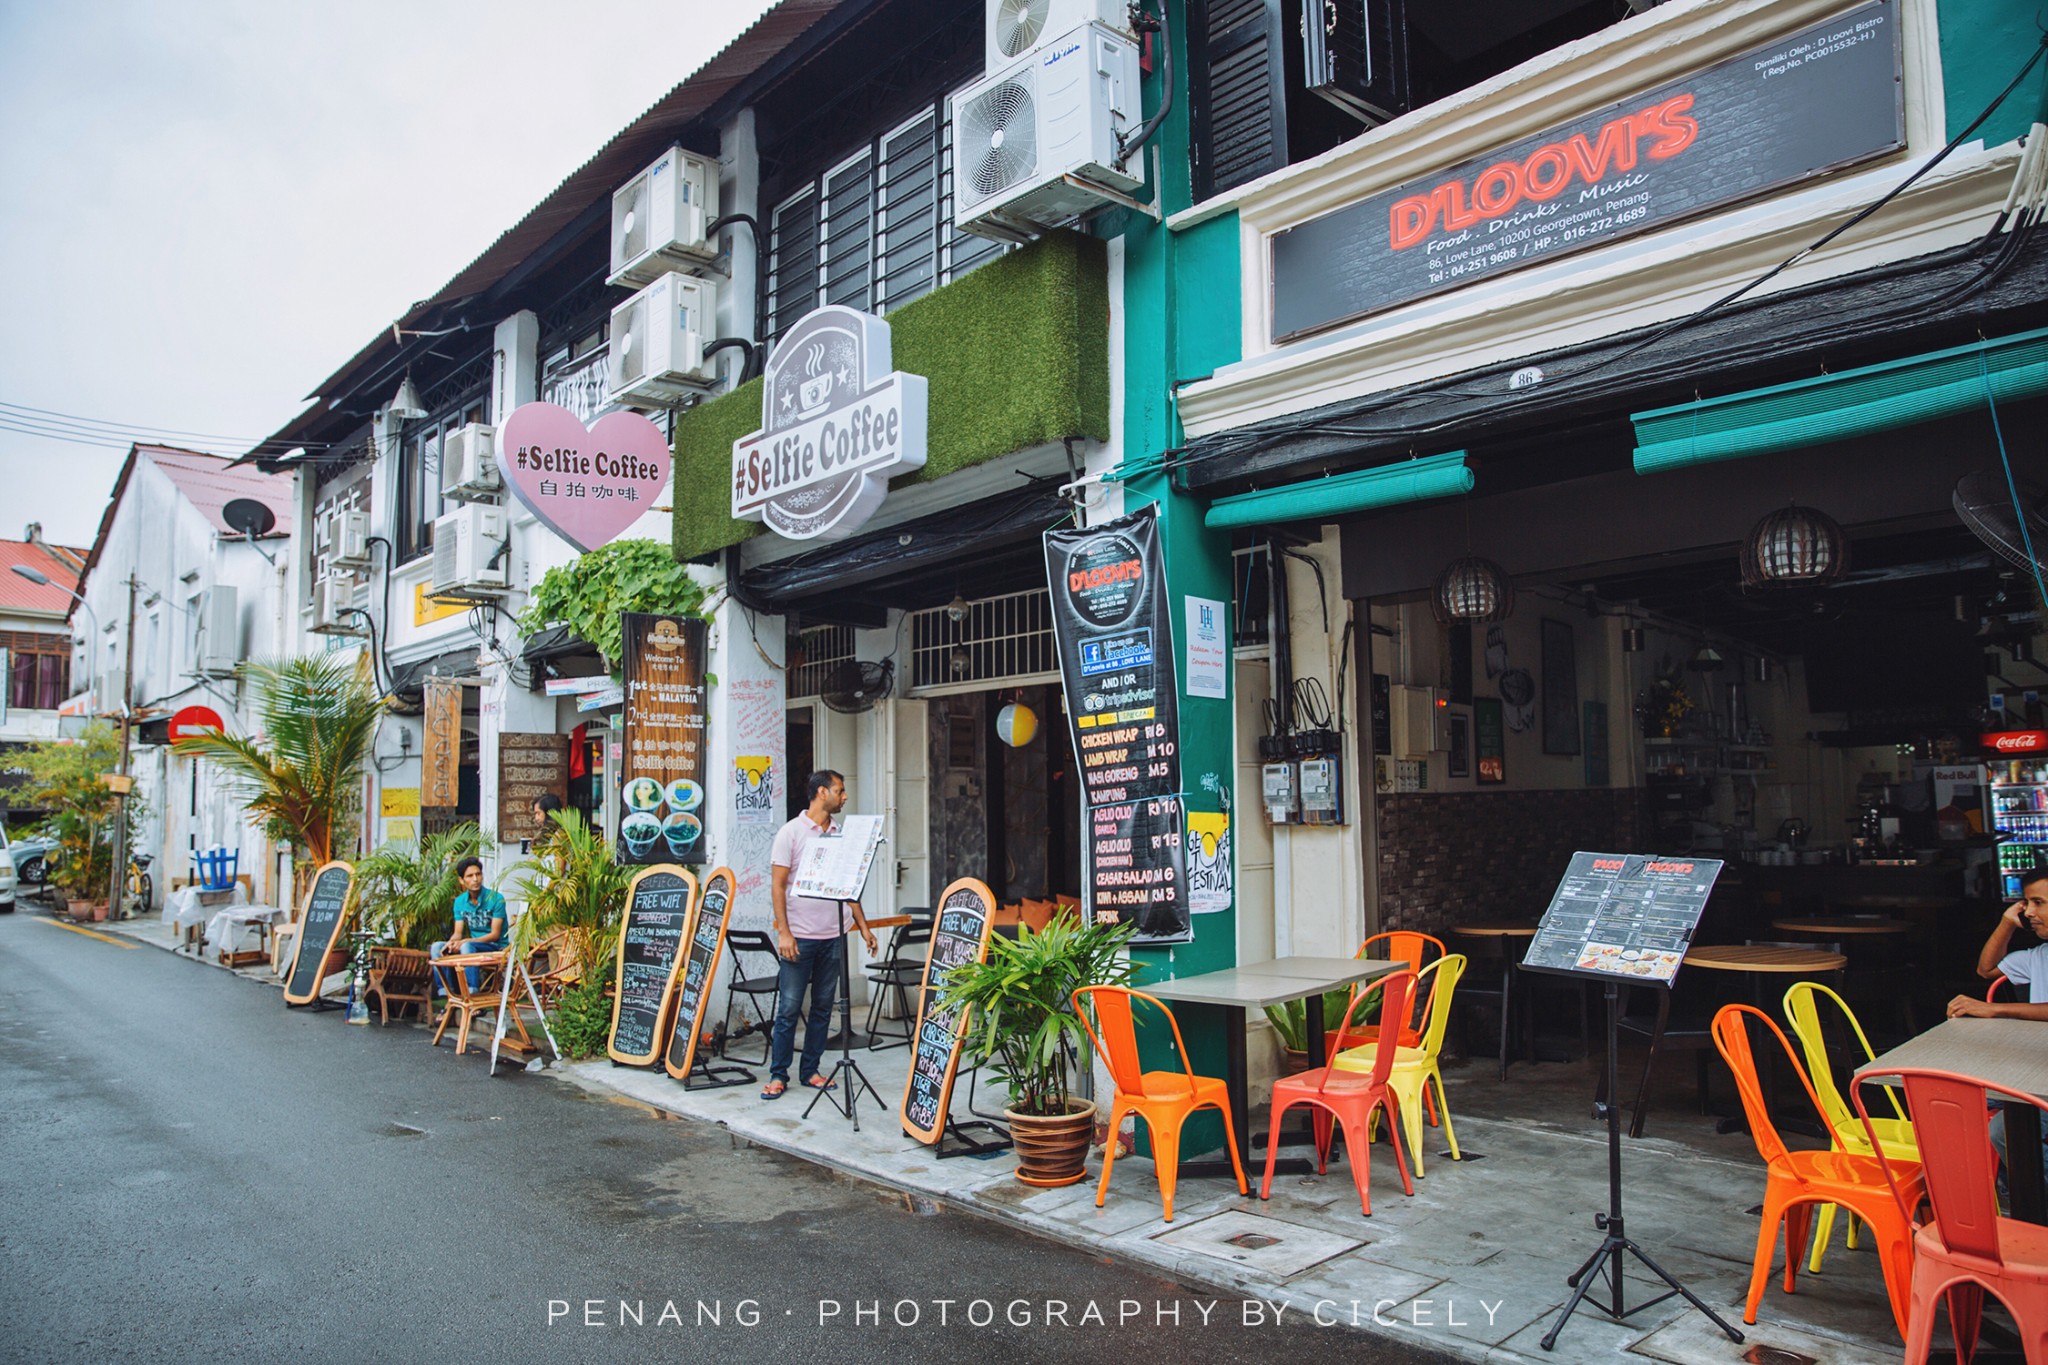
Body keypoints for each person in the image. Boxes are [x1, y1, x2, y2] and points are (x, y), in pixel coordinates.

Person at [761, 769, 877, 1100]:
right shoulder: (791, 833)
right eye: (840, 791)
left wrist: (864, 929)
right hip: (800, 935)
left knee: (824, 1007)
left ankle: (810, 1070)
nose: (845, 796)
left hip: (834, 936)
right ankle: (778, 1074)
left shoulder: (839, 833)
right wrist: (784, 932)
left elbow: (848, 886)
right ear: (822, 793)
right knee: (789, 1007)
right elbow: (777, 885)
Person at [1948, 867, 2048, 1204]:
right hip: (2035, 1070)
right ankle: (1999, 1194)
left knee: (2003, 1129)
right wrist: (2007, 922)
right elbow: (1986, 969)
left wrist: (1995, 1009)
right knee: (1954, 1096)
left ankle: (2031, 1201)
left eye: (2038, 902)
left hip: (2042, 1079)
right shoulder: (2038, 956)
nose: (2029, 912)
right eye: (2026, 903)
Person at [430, 856, 508, 995]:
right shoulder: (460, 902)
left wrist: (468, 941)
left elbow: (495, 934)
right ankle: (448, 995)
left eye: (478, 874)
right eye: (470, 876)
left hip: (496, 946)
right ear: (462, 880)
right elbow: (458, 933)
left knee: (466, 946)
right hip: (473, 947)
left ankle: (473, 993)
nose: (475, 879)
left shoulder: (496, 898)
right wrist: (450, 944)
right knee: (437, 947)